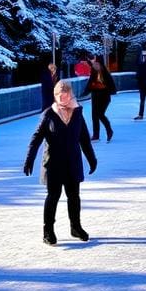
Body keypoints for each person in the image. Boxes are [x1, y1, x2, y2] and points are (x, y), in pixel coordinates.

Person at [24, 79, 98, 245]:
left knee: (74, 196)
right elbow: (36, 138)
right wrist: (29, 159)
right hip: (53, 164)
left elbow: (84, 139)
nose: (62, 98)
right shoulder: (49, 114)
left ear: (70, 94)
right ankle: (48, 230)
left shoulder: (77, 112)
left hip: (72, 162)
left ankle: (75, 227)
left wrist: (92, 159)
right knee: (53, 196)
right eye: (59, 95)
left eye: (65, 95)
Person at [82, 55, 116, 142]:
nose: (94, 65)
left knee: (100, 114)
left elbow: (110, 84)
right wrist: (85, 93)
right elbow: (89, 84)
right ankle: (96, 135)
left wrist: (108, 89)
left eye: (96, 64)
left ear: (100, 65)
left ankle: (109, 130)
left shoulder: (105, 73)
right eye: (94, 64)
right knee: (94, 116)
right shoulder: (93, 72)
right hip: (95, 96)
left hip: (104, 97)